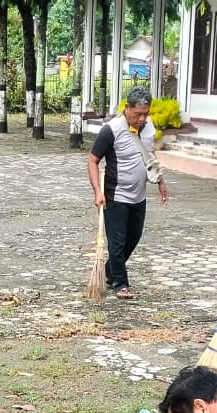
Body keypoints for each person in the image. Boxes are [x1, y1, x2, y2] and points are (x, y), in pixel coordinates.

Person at [88, 85, 169, 300]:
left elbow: (149, 154)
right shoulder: (111, 130)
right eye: (138, 114)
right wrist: (98, 191)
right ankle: (120, 283)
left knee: (133, 237)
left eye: (146, 114)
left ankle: (108, 271)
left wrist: (160, 180)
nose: (142, 119)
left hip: (138, 195)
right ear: (127, 108)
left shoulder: (148, 126)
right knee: (118, 241)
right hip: (116, 195)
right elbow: (93, 160)